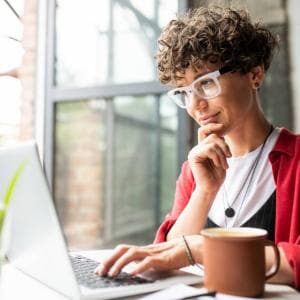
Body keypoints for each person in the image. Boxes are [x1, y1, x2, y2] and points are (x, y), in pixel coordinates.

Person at [95, 7, 300, 288]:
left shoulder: (296, 161)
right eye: (184, 92)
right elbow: (167, 256)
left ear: (255, 74)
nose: (195, 106)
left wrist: (203, 249)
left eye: (206, 84)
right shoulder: (196, 169)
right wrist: (204, 192)